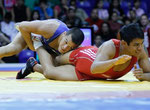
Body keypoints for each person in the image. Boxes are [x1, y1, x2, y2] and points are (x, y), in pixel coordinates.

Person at [16, 23, 150, 81]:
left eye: (142, 44)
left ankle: (33, 65)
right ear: (124, 43)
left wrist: (143, 76)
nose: (140, 49)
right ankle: (39, 43)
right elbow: (95, 67)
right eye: (136, 45)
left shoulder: (140, 51)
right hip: (84, 58)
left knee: (50, 72)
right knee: (53, 66)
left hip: (88, 75)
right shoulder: (111, 46)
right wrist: (115, 61)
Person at [0, 19, 84, 61]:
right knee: (13, 49)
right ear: (64, 33)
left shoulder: (75, 45)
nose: (65, 47)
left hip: (45, 43)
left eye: (69, 47)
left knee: (56, 63)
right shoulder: (51, 28)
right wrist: (32, 47)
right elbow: (23, 26)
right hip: (33, 33)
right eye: (65, 42)